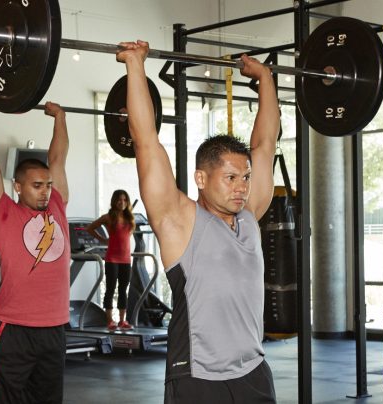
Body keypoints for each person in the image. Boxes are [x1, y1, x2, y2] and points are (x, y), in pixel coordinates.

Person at [116, 41, 280, 404]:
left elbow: (266, 143)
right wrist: (135, 64)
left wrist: (266, 79)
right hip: (199, 377)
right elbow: (146, 143)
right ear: (201, 179)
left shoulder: (249, 215)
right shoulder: (180, 221)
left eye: (245, 177)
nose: (241, 187)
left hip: (254, 372)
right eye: (230, 178)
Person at [0, 95, 70, 404]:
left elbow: (58, 159)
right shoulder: (4, 212)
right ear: (18, 187)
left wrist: (60, 118)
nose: (45, 191)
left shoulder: (57, 207)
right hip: (14, 328)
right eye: (37, 185)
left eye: (47, 185)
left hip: (54, 327)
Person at [86, 189, 135, 331]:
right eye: (119, 200)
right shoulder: (108, 217)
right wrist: (102, 239)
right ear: (114, 201)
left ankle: (122, 321)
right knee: (110, 289)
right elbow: (90, 228)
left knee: (123, 290)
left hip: (126, 259)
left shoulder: (130, 218)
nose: (122, 202)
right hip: (112, 259)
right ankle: (110, 320)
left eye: (125, 200)